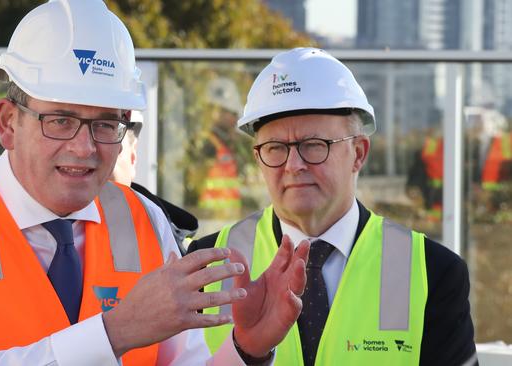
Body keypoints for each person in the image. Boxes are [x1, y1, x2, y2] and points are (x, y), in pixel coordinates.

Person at [0, 1, 310, 365]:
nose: (84, 148)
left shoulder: (144, 221)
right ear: (8, 123)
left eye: (106, 123)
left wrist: (246, 349)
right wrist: (116, 331)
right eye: (61, 120)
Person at [189, 48, 477, 365]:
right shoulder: (204, 266)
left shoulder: (433, 272)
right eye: (275, 148)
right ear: (258, 157)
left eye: (314, 145)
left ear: (358, 153)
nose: (293, 165)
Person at [111, 110, 199, 252]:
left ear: (133, 157)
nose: (85, 150)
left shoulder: (161, 233)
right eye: (63, 122)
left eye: (106, 129)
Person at [197, 78, 246, 219]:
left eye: (224, 111)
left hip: (234, 218)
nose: (216, 115)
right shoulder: (204, 144)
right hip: (208, 219)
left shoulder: (239, 144)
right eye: (214, 109)